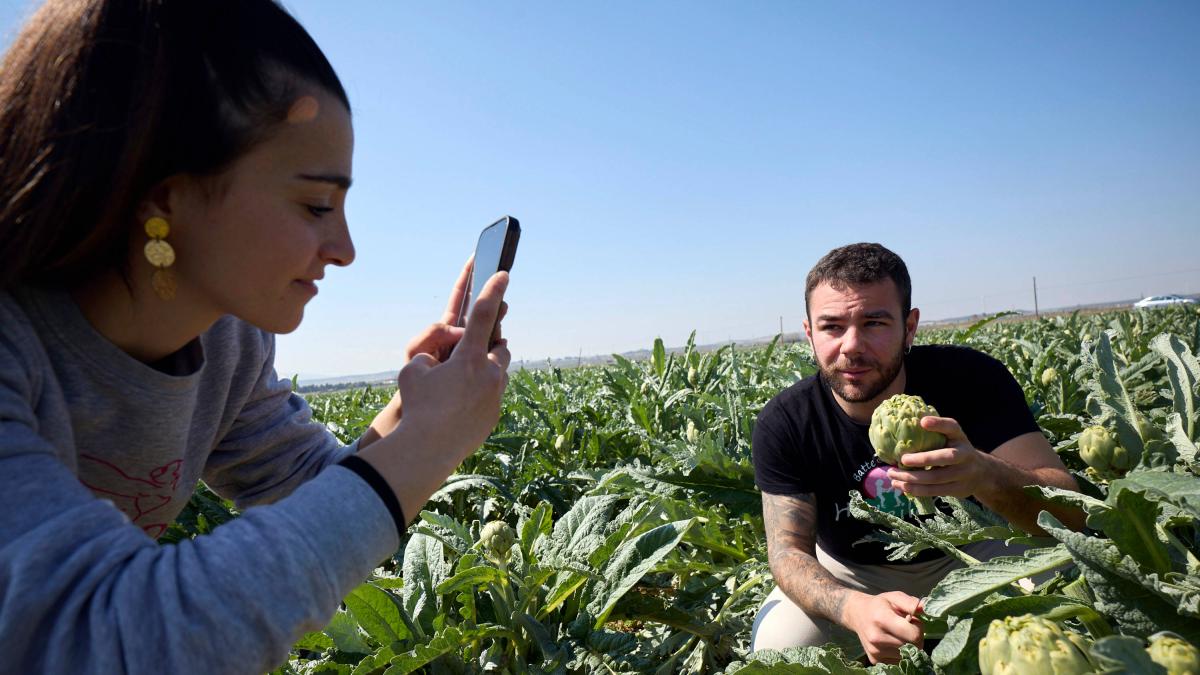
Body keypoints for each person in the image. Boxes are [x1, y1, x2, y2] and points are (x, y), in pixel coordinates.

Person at [0, 1, 511, 672]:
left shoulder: (226, 345)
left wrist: (413, 412)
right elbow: (106, 639)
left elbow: (317, 494)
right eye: (317, 205)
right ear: (165, 197)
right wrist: (425, 447)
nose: (345, 249)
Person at [749, 243, 1083, 664]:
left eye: (874, 323)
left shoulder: (972, 379)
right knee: (779, 651)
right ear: (810, 333)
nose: (851, 345)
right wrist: (853, 608)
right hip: (853, 574)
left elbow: (1072, 511)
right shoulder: (785, 422)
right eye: (832, 327)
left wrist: (983, 474)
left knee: (1083, 581)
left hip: (980, 552)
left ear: (909, 327)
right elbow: (788, 553)